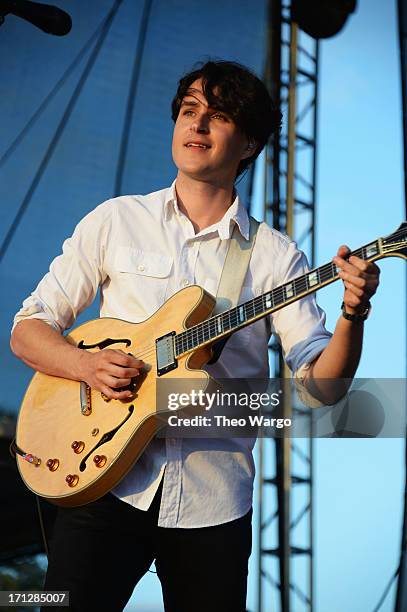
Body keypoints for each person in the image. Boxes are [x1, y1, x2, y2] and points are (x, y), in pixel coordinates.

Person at [10, 60, 380, 612]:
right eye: (189, 110)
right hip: (104, 476)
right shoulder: (117, 220)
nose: (197, 126)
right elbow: (28, 331)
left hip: (214, 496)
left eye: (219, 116)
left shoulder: (277, 257)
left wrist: (354, 311)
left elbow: (320, 389)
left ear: (250, 141)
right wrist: (86, 366)